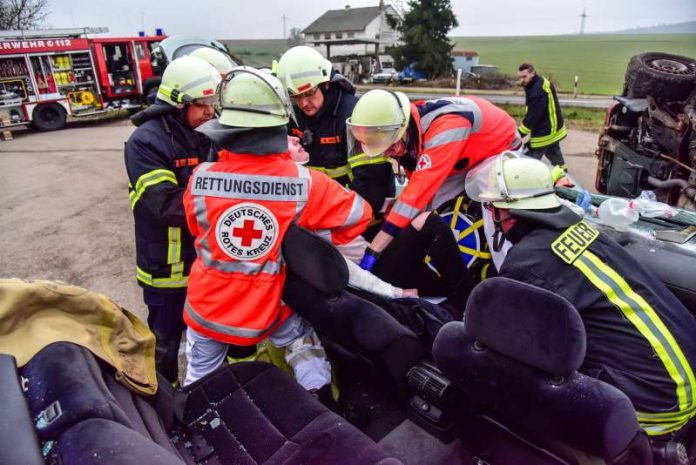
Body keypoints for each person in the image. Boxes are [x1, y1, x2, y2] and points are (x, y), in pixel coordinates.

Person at [465, 152, 696, 442]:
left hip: (655, 407)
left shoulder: (526, 263)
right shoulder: (582, 227)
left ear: (503, 212)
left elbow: (516, 343)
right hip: (683, 379)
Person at [182, 66, 372, 392]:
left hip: (206, 311)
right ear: (280, 124)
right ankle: (324, 408)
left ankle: (188, 433)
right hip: (267, 309)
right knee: (303, 346)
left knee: (198, 383)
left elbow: (199, 230)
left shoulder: (200, 178)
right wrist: (304, 240)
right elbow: (360, 216)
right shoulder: (304, 182)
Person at [346, 90, 520, 275]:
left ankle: (505, 267)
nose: (389, 153)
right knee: (429, 212)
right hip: (463, 153)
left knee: (491, 204)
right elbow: (417, 194)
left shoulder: (446, 128)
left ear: (402, 130)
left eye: (391, 147)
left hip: (498, 149)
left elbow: (416, 194)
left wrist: (375, 248)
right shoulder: (408, 130)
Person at [124, 55, 221, 383]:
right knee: (165, 344)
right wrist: (225, 199)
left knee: (209, 337)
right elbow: (165, 205)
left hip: (204, 264)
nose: (211, 110)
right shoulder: (145, 143)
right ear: (178, 103)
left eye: (213, 102)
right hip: (165, 269)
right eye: (203, 103)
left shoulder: (206, 132)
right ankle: (164, 402)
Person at [275, 46, 394, 215]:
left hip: (361, 215)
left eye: (309, 93)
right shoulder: (292, 115)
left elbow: (371, 181)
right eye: (296, 96)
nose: (303, 103)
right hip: (321, 209)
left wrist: (337, 216)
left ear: (326, 85)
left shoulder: (354, 116)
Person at [517, 62, 569, 182]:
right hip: (553, 129)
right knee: (556, 159)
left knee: (528, 161)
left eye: (524, 77)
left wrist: (518, 135)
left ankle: (524, 184)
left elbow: (532, 118)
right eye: (520, 77)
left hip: (545, 132)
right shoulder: (540, 82)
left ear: (532, 73)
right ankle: (565, 180)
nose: (521, 81)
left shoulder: (536, 91)